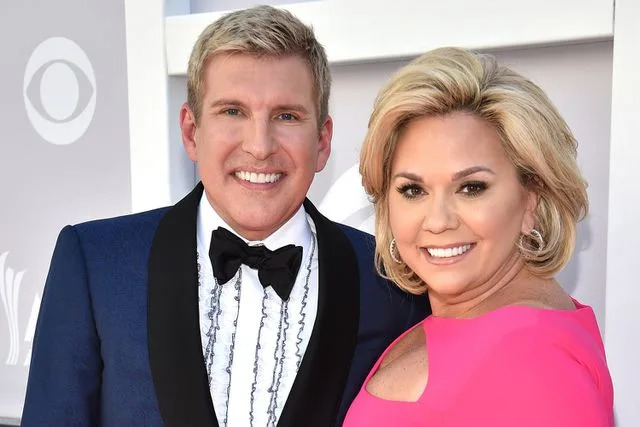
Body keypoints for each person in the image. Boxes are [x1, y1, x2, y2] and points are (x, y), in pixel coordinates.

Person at [21, 6, 427, 426]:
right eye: (233, 111)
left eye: (286, 116)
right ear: (191, 131)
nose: (260, 145)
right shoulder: (96, 263)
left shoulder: (391, 282)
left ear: (322, 141)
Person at [345, 47, 614, 426]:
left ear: (530, 201)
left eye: (471, 187)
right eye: (412, 190)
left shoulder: (535, 360)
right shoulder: (453, 320)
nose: (437, 221)